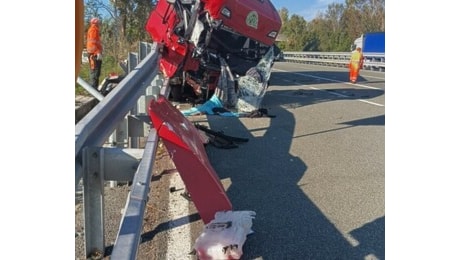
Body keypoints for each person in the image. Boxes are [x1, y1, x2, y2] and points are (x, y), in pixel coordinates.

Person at [86, 17, 103, 90]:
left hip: (94, 53)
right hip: (94, 54)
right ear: (96, 23)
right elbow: (93, 43)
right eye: (99, 23)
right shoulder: (93, 30)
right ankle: (93, 89)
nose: (100, 24)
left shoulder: (94, 30)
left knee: (96, 71)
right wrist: (97, 52)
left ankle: (94, 88)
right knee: (95, 72)